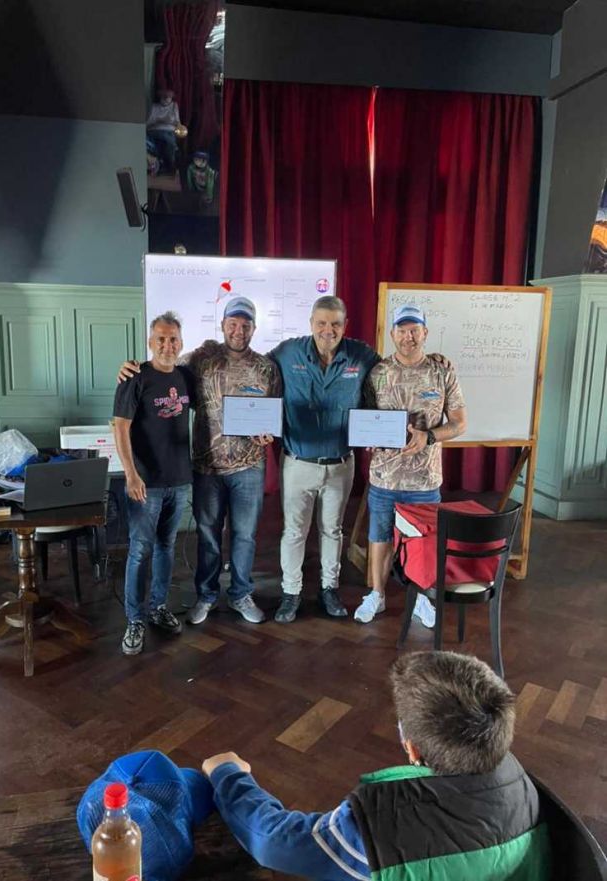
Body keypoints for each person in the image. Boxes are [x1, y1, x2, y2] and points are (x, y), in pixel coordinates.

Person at [201, 650, 551, 881]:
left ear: (411, 748)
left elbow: (275, 841)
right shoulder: (520, 782)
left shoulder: (382, 826)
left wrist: (228, 774)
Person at [118, 297, 281, 626]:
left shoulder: (266, 367)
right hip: (206, 468)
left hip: (249, 467)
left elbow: (274, 414)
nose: (239, 330)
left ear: (253, 328)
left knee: (245, 535)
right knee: (208, 534)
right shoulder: (198, 360)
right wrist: (128, 367)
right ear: (222, 326)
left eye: (245, 324)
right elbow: (162, 368)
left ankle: (240, 594)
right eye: (232, 323)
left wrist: (269, 435)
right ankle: (206, 596)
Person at [269, 296, 380, 623]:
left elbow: (393, 375)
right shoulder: (289, 352)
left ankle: (329, 588)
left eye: (335, 324)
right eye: (321, 323)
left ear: (345, 325)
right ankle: (291, 592)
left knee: (332, 531)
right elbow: (249, 367)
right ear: (311, 324)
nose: (327, 330)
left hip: (340, 464)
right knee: (294, 532)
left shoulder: (360, 355)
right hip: (298, 462)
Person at [354, 304, 467, 625]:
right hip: (384, 478)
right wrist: (368, 436)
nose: (408, 336)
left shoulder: (442, 371)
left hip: (425, 480)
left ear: (425, 333)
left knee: (424, 542)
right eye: (402, 330)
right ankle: (376, 595)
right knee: (379, 536)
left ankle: (420, 599)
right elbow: (365, 418)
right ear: (392, 334)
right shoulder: (377, 373)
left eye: (414, 330)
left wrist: (429, 436)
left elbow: (459, 423)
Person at [113, 312, 196, 655]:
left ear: (181, 342)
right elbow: (119, 427)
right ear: (150, 342)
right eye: (160, 338)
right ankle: (134, 619)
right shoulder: (134, 377)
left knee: (166, 547)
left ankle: (158, 608)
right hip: (145, 483)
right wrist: (131, 475)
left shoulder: (186, 376)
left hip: (178, 479)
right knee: (140, 549)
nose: (167, 345)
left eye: (173, 338)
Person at [146, 88, 182, 172]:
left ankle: (169, 162)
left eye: (168, 96)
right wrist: (158, 120)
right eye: (164, 96)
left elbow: (178, 122)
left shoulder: (174, 106)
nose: (166, 98)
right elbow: (148, 123)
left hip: (170, 130)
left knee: (169, 139)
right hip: (155, 130)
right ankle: (165, 162)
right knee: (165, 137)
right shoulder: (155, 106)